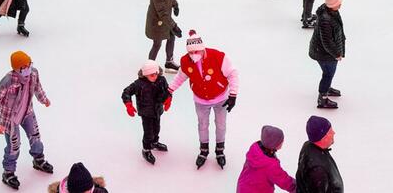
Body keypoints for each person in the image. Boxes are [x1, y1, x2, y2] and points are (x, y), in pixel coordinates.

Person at [167, 30, 240, 169]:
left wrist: (233, 95)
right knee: (202, 125)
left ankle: (220, 151)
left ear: (203, 48)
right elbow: (181, 77)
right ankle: (203, 150)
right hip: (200, 100)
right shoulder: (185, 61)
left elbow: (232, 74)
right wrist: (170, 90)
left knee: (221, 125)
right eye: (191, 52)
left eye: (197, 52)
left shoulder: (218, 57)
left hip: (221, 99)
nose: (194, 55)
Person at [0, 50, 54, 189]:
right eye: (24, 67)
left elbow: (37, 88)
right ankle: (8, 172)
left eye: (29, 64)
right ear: (17, 69)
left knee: (35, 136)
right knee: (14, 146)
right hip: (10, 120)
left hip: (27, 113)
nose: (28, 69)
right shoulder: (8, 81)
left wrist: (44, 99)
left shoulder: (34, 73)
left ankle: (39, 160)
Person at [122, 59, 172, 164]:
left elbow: (167, 90)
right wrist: (128, 105)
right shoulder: (138, 84)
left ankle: (154, 142)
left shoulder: (161, 80)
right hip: (146, 113)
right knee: (148, 132)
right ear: (145, 75)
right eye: (151, 75)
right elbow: (126, 92)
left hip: (157, 110)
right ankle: (146, 149)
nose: (154, 76)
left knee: (157, 128)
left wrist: (168, 98)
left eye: (156, 74)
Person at [309, 0, 345, 109]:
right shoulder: (326, 19)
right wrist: (337, 54)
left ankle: (327, 87)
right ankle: (323, 98)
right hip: (324, 53)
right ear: (331, 4)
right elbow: (327, 42)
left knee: (329, 73)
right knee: (328, 74)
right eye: (338, 3)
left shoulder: (331, 12)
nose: (340, 5)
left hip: (326, 52)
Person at [236, 125, 296, 193]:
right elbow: (283, 180)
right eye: (281, 141)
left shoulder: (255, 149)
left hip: (243, 188)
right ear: (274, 144)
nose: (283, 142)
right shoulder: (270, 165)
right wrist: (297, 187)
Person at [146, 0, 182, 70]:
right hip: (157, 22)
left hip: (165, 19)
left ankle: (169, 62)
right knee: (157, 44)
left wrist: (175, 5)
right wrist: (174, 26)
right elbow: (162, 13)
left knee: (171, 37)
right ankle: (149, 67)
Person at [296, 116, 343, 193]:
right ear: (323, 138)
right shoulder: (318, 171)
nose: (334, 133)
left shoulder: (308, 145)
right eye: (330, 132)